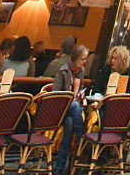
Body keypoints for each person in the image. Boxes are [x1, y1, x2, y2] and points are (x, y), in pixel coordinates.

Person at [52, 44, 89, 174]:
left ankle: (60, 167)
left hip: (73, 113)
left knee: (70, 123)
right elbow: (54, 94)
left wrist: (81, 95)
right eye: (83, 59)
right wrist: (68, 98)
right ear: (75, 58)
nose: (85, 62)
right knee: (73, 105)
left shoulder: (81, 72)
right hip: (61, 109)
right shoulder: (62, 71)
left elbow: (81, 88)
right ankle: (81, 137)